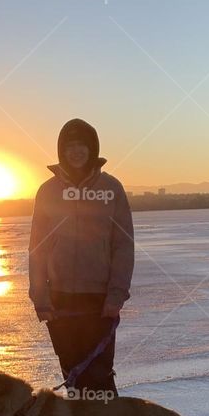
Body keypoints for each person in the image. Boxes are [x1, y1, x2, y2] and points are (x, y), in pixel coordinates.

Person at [28, 119, 134, 397]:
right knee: (72, 373)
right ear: (62, 151)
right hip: (59, 298)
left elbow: (123, 245)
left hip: (99, 299)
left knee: (99, 374)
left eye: (82, 145)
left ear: (92, 149)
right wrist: (41, 298)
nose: (76, 151)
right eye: (70, 146)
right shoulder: (48, 191)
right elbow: (37, 248)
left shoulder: (111, 188)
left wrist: (116, 296)